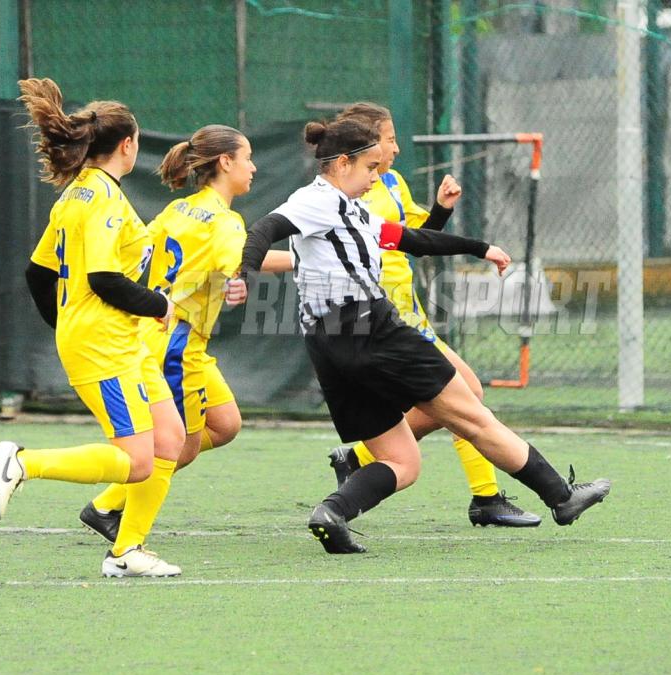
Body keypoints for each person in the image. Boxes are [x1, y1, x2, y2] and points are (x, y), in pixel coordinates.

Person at [229, 117, 611, 554]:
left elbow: (409, 239)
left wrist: (478, 247)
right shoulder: (317, 201)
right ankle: (561, 496)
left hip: (327, 343)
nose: (376, 176)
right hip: (372, 328)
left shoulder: (350, 210)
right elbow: (265, 229)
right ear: (342, 163)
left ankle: (332, 513)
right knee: (473, 416)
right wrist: (244, 273)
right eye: (370, 167)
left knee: (402, 461)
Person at [0, 78, 184, 577]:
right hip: (105, 345)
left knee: (170, 439)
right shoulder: (100, 198)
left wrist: (69, 324)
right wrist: (157, 304)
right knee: (137, 461)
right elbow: (103, 278)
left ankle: (127, 552)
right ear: (127, 145)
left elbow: (38, 274)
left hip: (119, 340)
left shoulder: (77, 194)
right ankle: (24, 463)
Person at [327, 102, 539, 527]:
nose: (396, 148)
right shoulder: (348, 194)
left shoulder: (391, 181)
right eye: (389, 140)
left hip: (409, 312)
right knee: (466, 395)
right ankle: (485, 497)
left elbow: (419, 237)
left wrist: (440, 209)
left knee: (460, 399)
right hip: (383, 318)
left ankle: (361, 458)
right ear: (366, 145)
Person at [77, 124, 291, 543]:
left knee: (225, 424)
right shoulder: (224, 221)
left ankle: (111, 503)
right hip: (178, 344)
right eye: (247, 158)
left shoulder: (179, 209)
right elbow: (242, 257)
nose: (253, 167)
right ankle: (106, 507)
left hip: (160, 333)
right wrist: (308, 261)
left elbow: (141, 250)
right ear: (225, 162)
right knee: (181, 447)